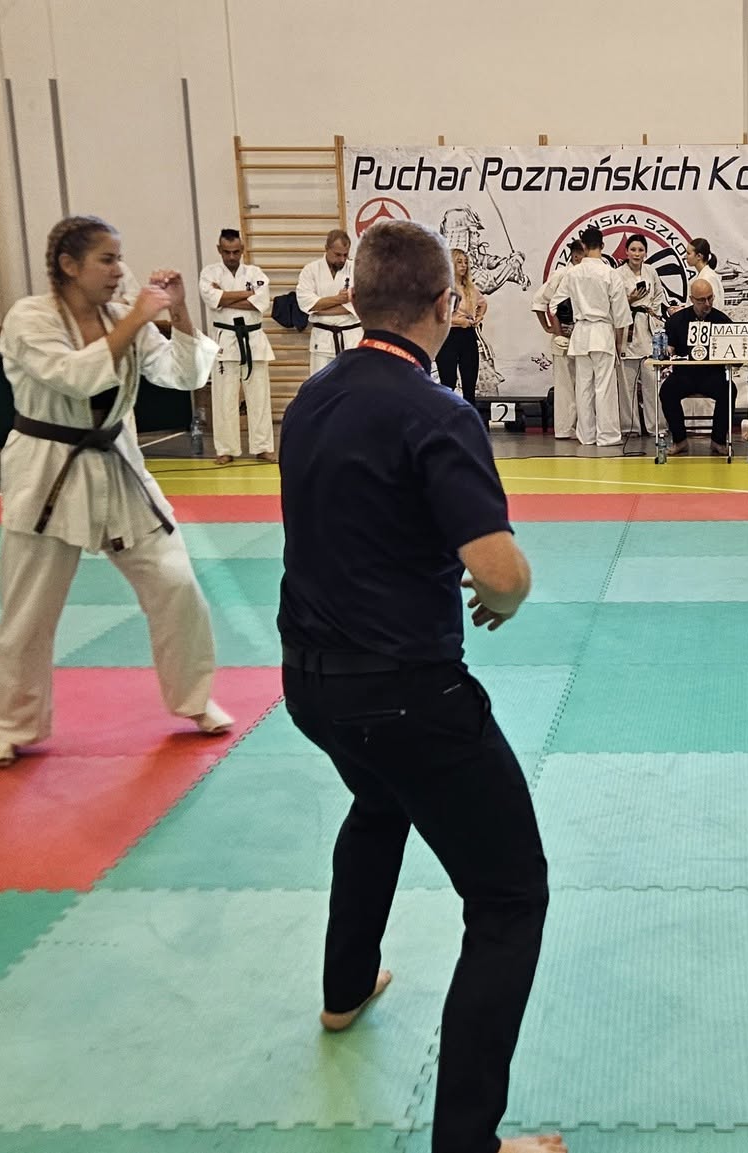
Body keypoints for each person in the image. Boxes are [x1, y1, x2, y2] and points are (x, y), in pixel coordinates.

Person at [275, 217, 560, 1153]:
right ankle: (468, 1143)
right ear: (446, 305)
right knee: (510, 898)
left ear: (356, 300)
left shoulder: (310, 399)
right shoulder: (436, 411)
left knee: (378, 799)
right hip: (406, 695)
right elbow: (500, 572)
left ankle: (345, 986)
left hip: (311, 685)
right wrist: (506, 596)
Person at [0, 215, 231, 769]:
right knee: (28, 611)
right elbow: (76, 378)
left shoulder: (121, 317)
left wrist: (178, 313)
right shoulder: (30, 318)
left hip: (118, 466)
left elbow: (185, 377)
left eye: (119, 258)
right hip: (47, 471)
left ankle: (194, 699)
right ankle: (8, 726)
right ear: (70, 266)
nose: (119, 270)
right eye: (107, 260)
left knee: (177, 585)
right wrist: (138, 315)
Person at [201, 228, 277, 464]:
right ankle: (226, 449)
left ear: (242, 249)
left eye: (235, 252)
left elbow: (260, 303)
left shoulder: (255, 273)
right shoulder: (209, 273)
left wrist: (224, 296)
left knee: (259, 397)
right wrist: (246, 294)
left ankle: (263, 447)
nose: (231, 256)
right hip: (225, 339)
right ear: (219, 250)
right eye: (227, 252)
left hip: (253, 339)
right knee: (225, 398)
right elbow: (213, 300)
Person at [554, 226, 631, 447]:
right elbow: (621, 315)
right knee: (604, 387)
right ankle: (607, 435)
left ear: (583, 246)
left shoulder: (572, 273)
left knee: (583, 387)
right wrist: (619, 344)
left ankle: (586, 435)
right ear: (603, 245)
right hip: (602, 333)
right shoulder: (610, 274)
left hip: (580, 333)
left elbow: (556, 304)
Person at [659, 278, 736, 451]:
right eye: (701, 300)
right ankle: (680, 440)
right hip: (684, 375)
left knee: (730, 390)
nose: (707, 303)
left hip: (712, 375)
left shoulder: (722, 320)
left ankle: (718, 440)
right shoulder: (676, 321)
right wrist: (667, 352)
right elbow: (669, 349)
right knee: (667, 391)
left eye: (710, 298)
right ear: (691, 299)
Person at [531, 240, 585, 440]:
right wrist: (548, 327)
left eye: (583, 253)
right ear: (574, 255)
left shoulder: (589, 275)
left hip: (584, 334)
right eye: (578, 253)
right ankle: (564, 428)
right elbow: (539, 301)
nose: (580, 257)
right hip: (563, 334)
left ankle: (583, 427)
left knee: (584, 384)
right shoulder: (560, 274)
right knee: (564, 385)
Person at [614, 235, 666, 436]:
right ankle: (630, 427)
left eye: (640, 250)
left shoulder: (651, 271)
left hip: (647, 328)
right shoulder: (618, 274)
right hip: (627, 329)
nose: (637, 254)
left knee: (652, 383)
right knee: (626, 386)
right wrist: (629, 300)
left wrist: (651, 310)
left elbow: (659, 295)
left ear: (646, 252)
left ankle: (657, 426)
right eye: (633, 250)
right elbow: (613, 302)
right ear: (626, 252)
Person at [297, 229, 359, 374]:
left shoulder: (356, 269)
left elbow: (361, 306)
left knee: (354, 384)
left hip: (352, 338)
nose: (342, 259)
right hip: (322, 339)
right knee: (321, 384)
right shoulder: (310, 270)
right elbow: (306, 303)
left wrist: (320, 308)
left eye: (345, 255)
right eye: (337, 254)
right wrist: (339, 300)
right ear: (326, 249)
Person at [438, 247, 488, 415]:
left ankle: (469, 419)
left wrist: (478, 317)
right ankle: (446, 417)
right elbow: (438, 315)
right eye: (459, 262)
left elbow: (483, 303)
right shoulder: (443, 288)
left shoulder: (470, 288)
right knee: (448, 382)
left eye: (466, 262)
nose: (464, 265)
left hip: (467, 336)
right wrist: (459, 321)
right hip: (448, 337)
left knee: (469, 381)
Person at [675, 237, 723, 312]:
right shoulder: (701, 276)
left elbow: (713, 307)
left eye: (688, 253)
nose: (685, 257)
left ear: (699, 256)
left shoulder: (708, 277)